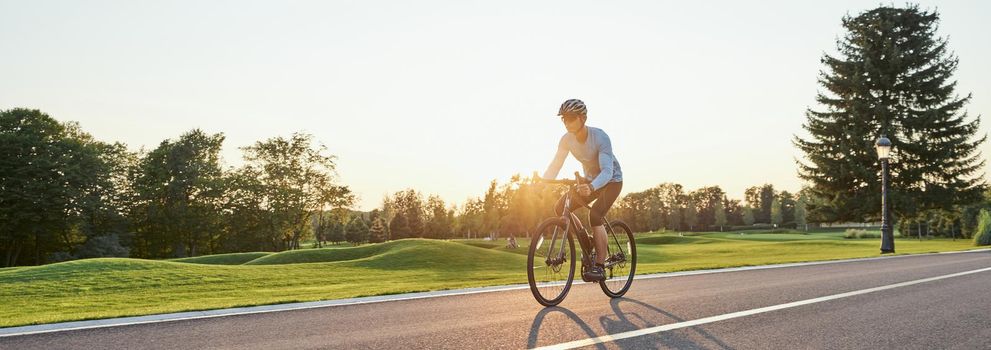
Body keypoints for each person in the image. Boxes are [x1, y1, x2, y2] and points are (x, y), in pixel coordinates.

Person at [540, 99, 623, 282]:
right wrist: (543, 183)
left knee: (595, 215)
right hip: (590, 181)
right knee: (561, 208)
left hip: (611, 181)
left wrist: (591, 187)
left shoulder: (600, 137)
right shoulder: (566, 140)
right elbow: (556, 164)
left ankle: (600, 266)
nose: (566, 122)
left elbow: (607, 171)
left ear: (582, 118)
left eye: (570, 118)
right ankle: (586, 241)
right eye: (564, 119)